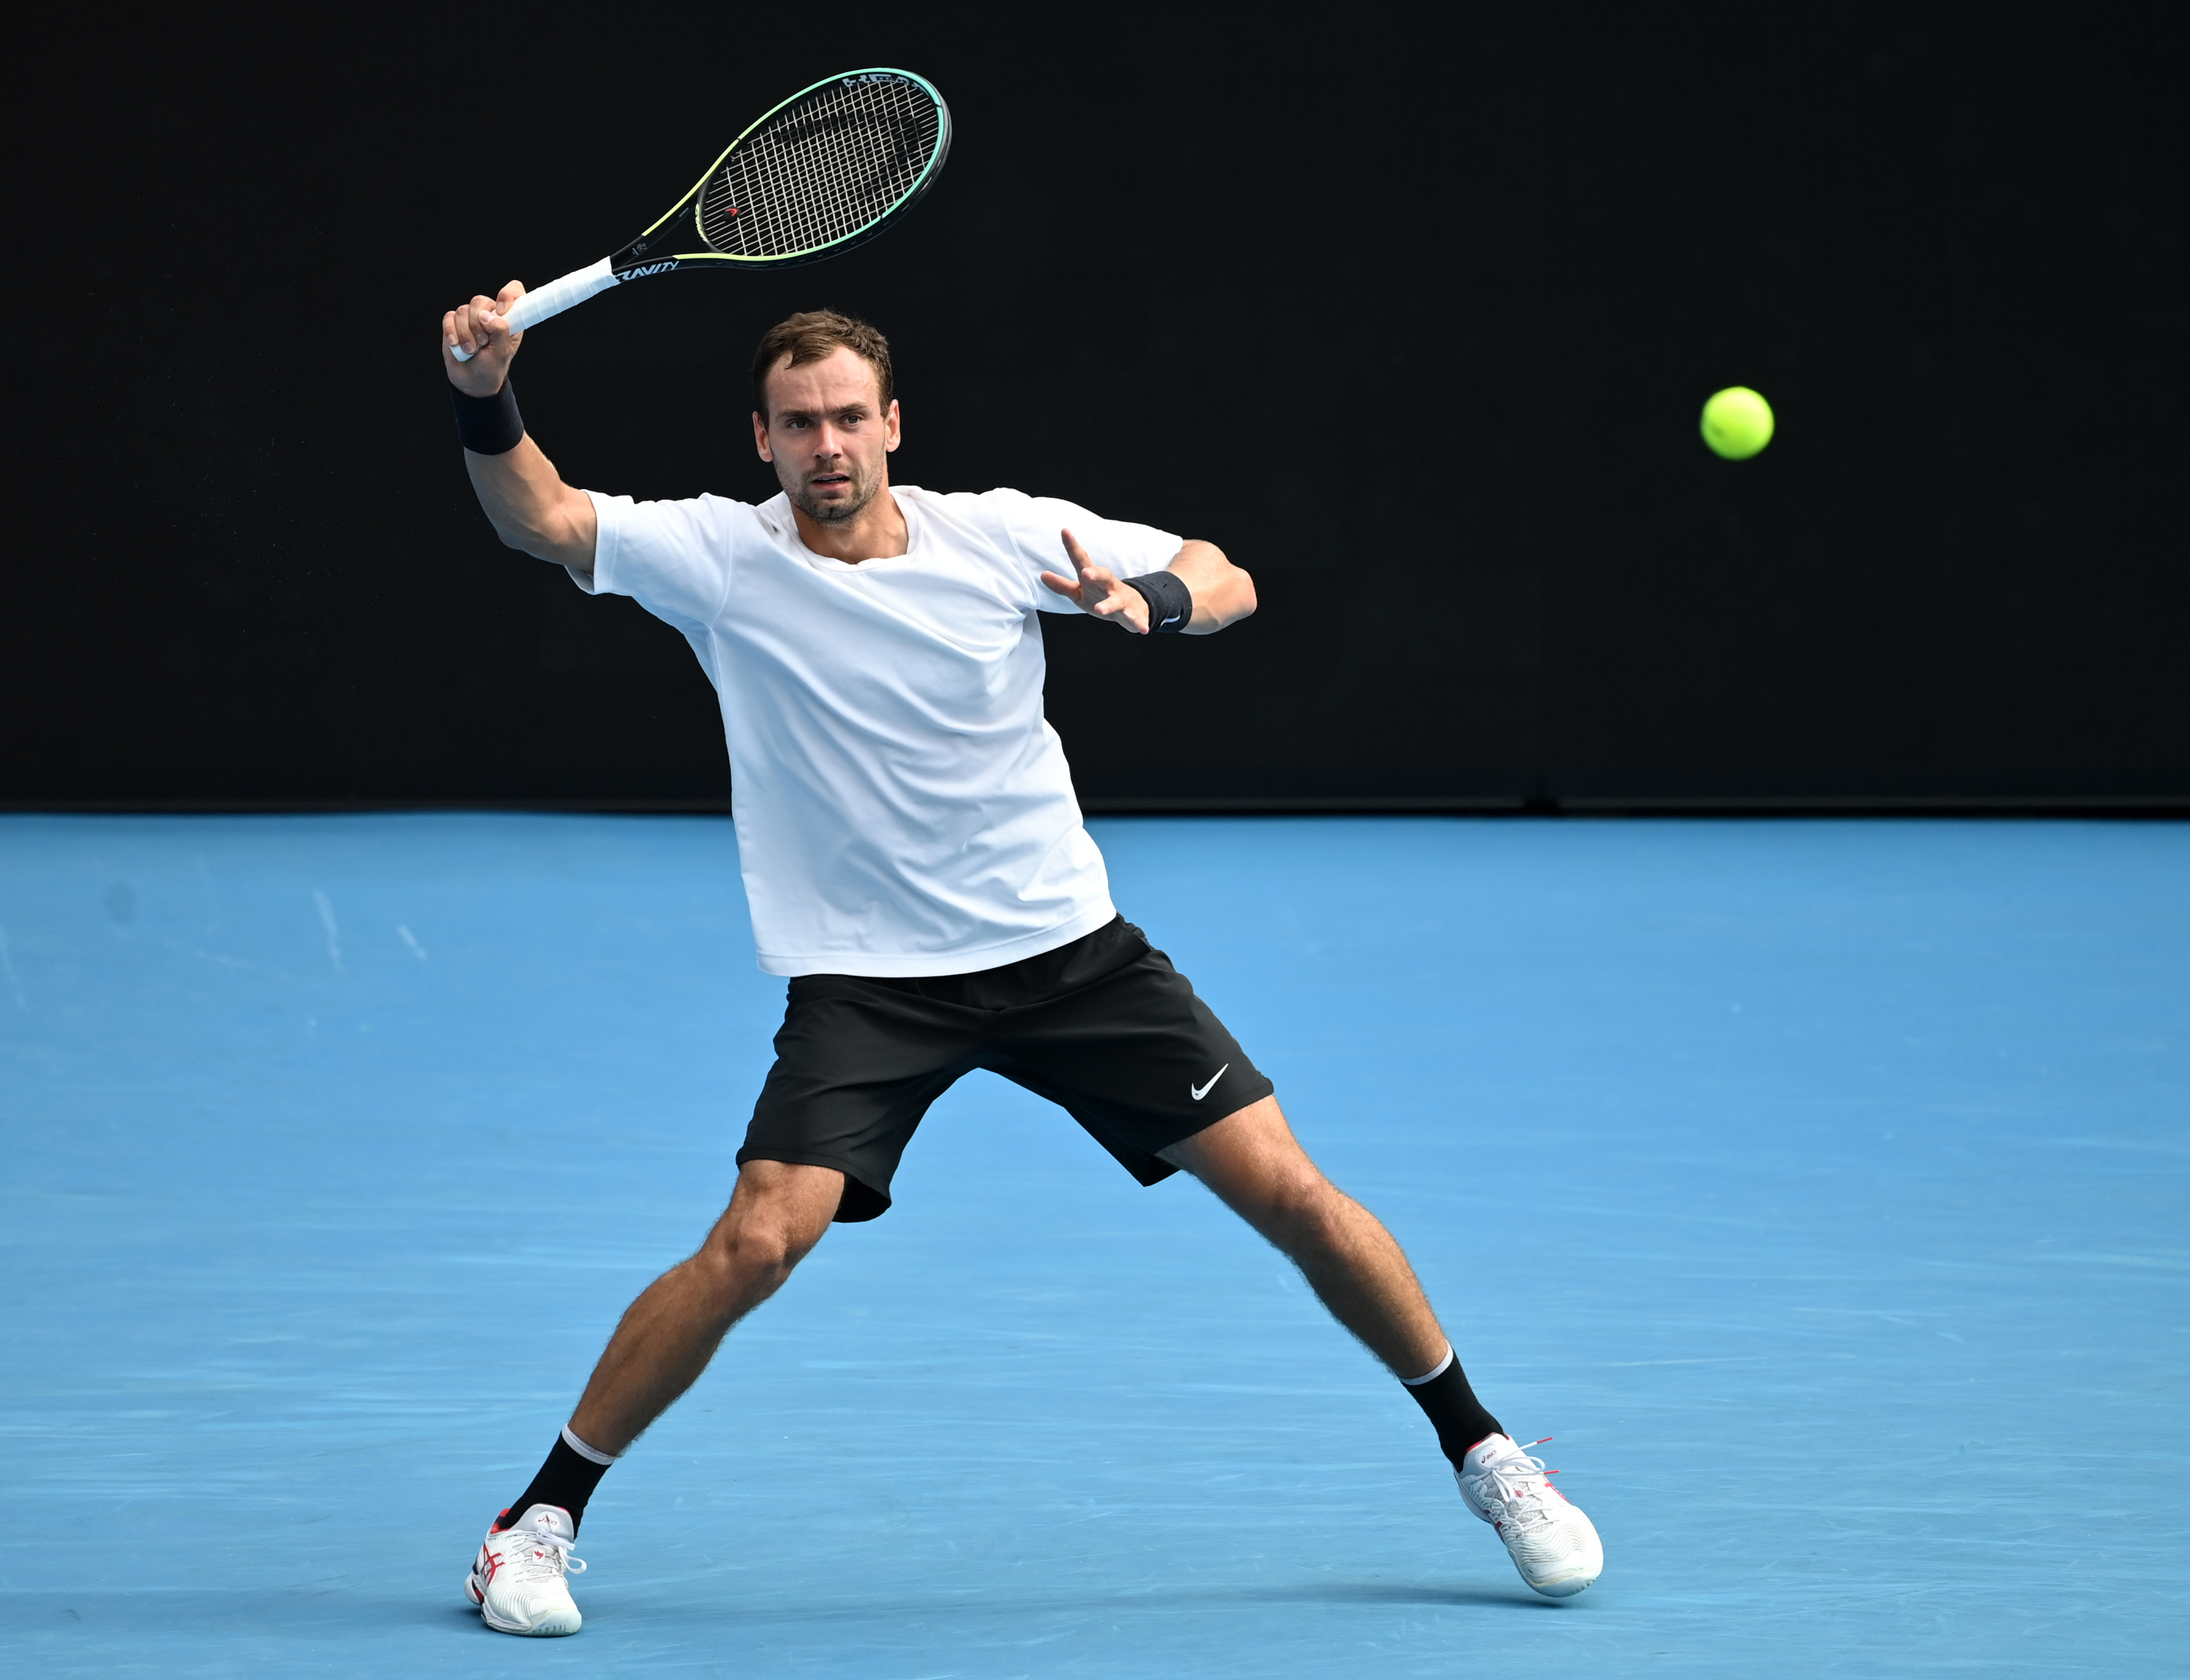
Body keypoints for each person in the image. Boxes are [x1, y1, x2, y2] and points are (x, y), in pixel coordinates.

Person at [437, 284, 1604, 1637]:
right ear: (759, 439)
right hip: (869, 985)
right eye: (798, 422)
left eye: (850, 419)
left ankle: (1488, 1455)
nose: (828, 445)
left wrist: (1150, 600)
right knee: (759, 1241)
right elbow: (541, 514)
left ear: (893, 425)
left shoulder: (995, 535)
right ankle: (536, 1523)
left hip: (1071, 960)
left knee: (1292, 1193)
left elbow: (1228, 574)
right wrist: (485, 393)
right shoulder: (718, 558)